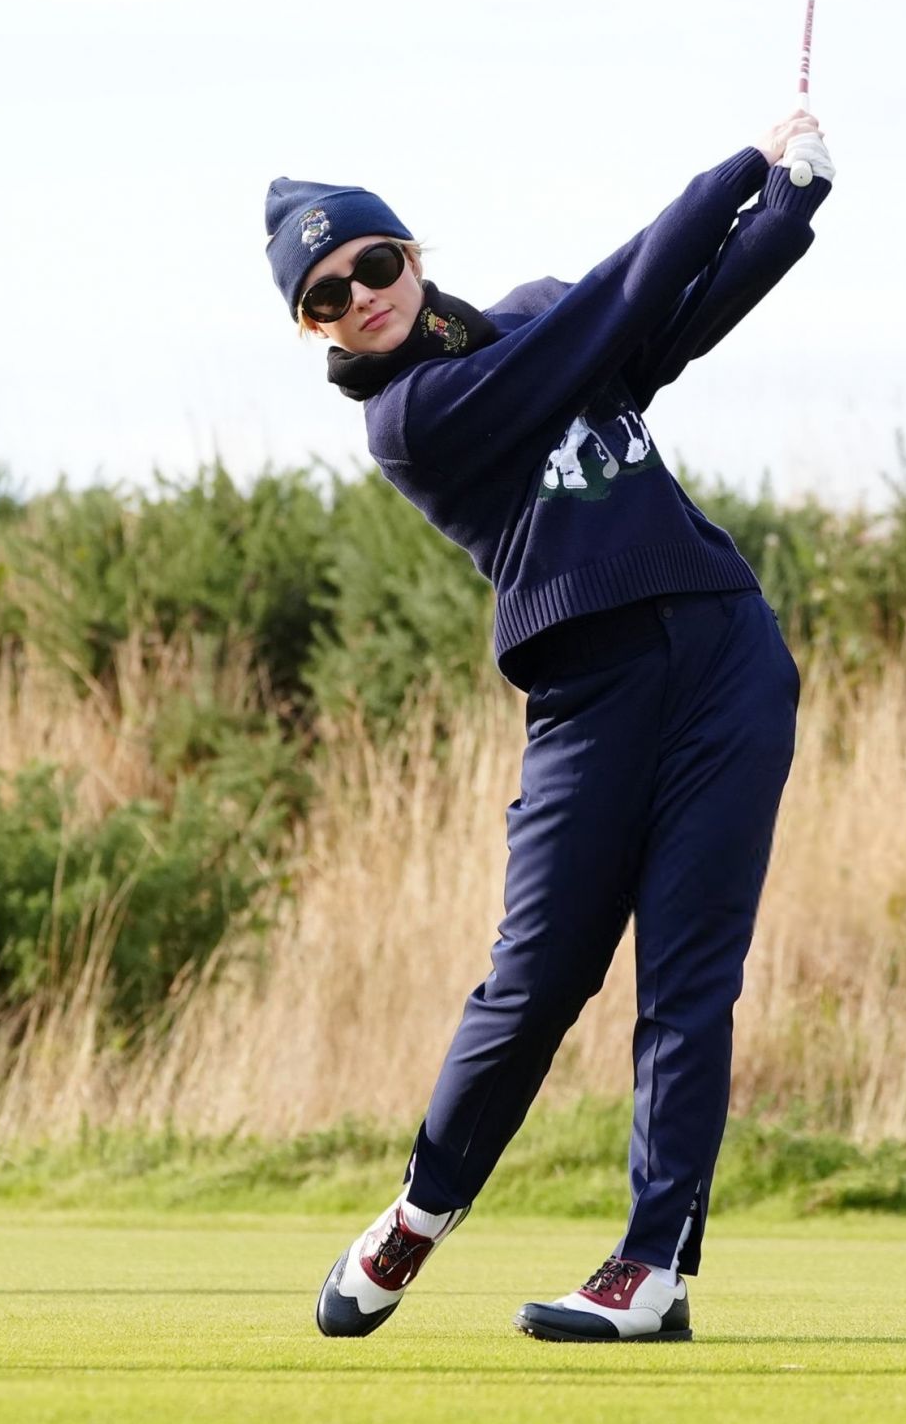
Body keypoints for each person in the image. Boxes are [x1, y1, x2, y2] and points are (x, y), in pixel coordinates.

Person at [264, 109, 834, 1344]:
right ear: (313, 330)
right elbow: (618, 307)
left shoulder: (533, 314)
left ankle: (653, 1270)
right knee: (534, 984)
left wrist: (787, 208)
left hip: (728, 653)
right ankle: (422, 1211)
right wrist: (734, 169)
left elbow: (666, 321)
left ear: (411, 254)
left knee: (691, 979)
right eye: (326, 299)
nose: (362, 298)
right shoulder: (410, 417)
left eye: (373, 265)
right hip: (591, 693)